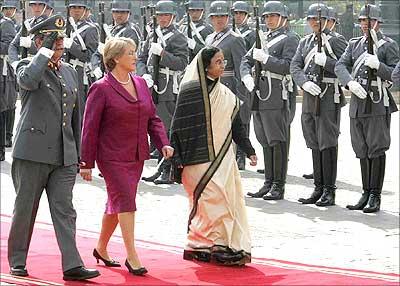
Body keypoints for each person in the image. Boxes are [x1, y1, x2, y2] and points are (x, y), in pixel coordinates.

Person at [7, 14, 100, 281]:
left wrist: (79, 154)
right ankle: (17, 260)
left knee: (65, 211)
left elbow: (75, 115)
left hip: (64, 155)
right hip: (32, 153)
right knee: (25, 209)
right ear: (38, 41)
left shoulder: (69, 71)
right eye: (52, 39)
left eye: (60, 38)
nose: (60, 43)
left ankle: (72, 265)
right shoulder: (27, 65)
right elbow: (27, 81)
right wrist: (43, 51)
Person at [80, 37, 173, 275]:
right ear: (116, 59)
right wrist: (86, 163)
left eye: (135, 52)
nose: (135, 57)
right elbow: (89, 127)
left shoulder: (141, 83)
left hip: (136, 154)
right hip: (111, 156)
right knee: (126, 202)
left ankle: (100, 247)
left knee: (119, 202)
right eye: (130, 53)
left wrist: (162, 142)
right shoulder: (100, 88)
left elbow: (153, 117)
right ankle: (132, 256)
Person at [170, 47, 257, 266]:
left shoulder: (226, 95)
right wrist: (176, 160)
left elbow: (236, 127)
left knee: (225, 200)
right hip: (197, 158)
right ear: (205, 65)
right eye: (218, 62)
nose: (222, 65)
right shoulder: (190, 91)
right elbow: (178, 128)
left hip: (223, 159)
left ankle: (217, 245)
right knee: (210, 200)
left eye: (223, 61)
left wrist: (249, 150)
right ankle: (201, 244)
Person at [335, 4, 399, 213]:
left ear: (377, 22)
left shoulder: (387, 45)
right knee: (361, 148)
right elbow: (340, 66)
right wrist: (349, 82)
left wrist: (378, 66)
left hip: (377, 101)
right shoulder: (354, 44)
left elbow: (395, 74)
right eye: (362, 21)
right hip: (358, 101)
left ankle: (375, 195)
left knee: (376, 147)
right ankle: (365, 192)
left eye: (368, 21)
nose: (364, 24)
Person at [290, 3, 347, 207]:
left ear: (327, 21)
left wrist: (328, 63)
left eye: (319, 19)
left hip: (328, 95)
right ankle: (318, 187)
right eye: (312, 19)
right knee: (313, 140)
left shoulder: (336, 41)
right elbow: (295, 65)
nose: (315, 22)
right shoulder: (305, 42)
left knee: (327, 141)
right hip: (309, 96)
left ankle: (329, 190)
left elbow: (345, 66)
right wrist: (303, 81)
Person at [242, 0, 299, 200]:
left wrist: (266, 60)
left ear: (283, 17)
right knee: (264, 139)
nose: (269, 20)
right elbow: (245, 61)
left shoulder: (290, 38)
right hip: (258, 94)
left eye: (273, 16)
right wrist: (246, 77)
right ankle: (268, 182)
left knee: (278, 141)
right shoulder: (263, 37)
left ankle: (278, 185)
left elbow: (289, 66)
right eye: (267, 17)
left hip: (276, 95)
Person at [138, 0, 188, 185]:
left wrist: (163, 54)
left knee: (166, 130)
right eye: (160, 15)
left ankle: (168, 169)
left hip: (167, 88)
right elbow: (141, 58)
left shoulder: (178, 37)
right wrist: (143, 74)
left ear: (173, 16)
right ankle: (161, 167)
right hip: (152, 85)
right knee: (156, 129)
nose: (163, 18)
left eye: (166, 15)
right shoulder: (152, 35)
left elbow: (182, 63)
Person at [205, 0, 247, 170]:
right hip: (211, 87)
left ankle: (234, 158)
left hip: (228, 86)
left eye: (223, 16)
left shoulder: (235, 39)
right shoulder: (209, 38)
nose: (219, 20)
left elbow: (240, 69)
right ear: (211, 19)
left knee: (229, 127)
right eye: (216, 17)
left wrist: (240, 96)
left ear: (228, 18)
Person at [91, 0, 142, 80]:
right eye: (116, 12)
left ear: (129, 14)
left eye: (123, 12)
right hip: (108, 74)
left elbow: (125, 54)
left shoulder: (130, 31)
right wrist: (95, 67)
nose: (119, 15)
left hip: (122, 74)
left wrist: (105, 51)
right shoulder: (109, 30)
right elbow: (96, 54)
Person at [63, 0, 99, 110]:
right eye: (73, 8)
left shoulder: (90, 29)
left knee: (78, 109)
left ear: (85, 10)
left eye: (79, 8)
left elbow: (90, 56)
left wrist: (72, 46)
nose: (76, 10)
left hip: (78, 73)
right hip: (63, 71)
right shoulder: (64, 26)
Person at [8, 0, 54, 66]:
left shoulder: (50, 25)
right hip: (24, 66)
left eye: (40, 4)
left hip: (42, 67)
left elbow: (51, 49)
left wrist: (31, 45)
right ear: (31, 6)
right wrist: (15, 62)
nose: (37, 8)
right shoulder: (27, 24)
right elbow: (13, 45)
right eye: (34, 4)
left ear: (45, 6)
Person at [0, 0, 17, 160]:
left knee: (4, 107)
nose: (8, 11)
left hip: (4, 72)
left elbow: (9, 47)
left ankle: (3, 144)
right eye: (5, 8)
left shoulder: (6, 24)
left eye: (11, 8)